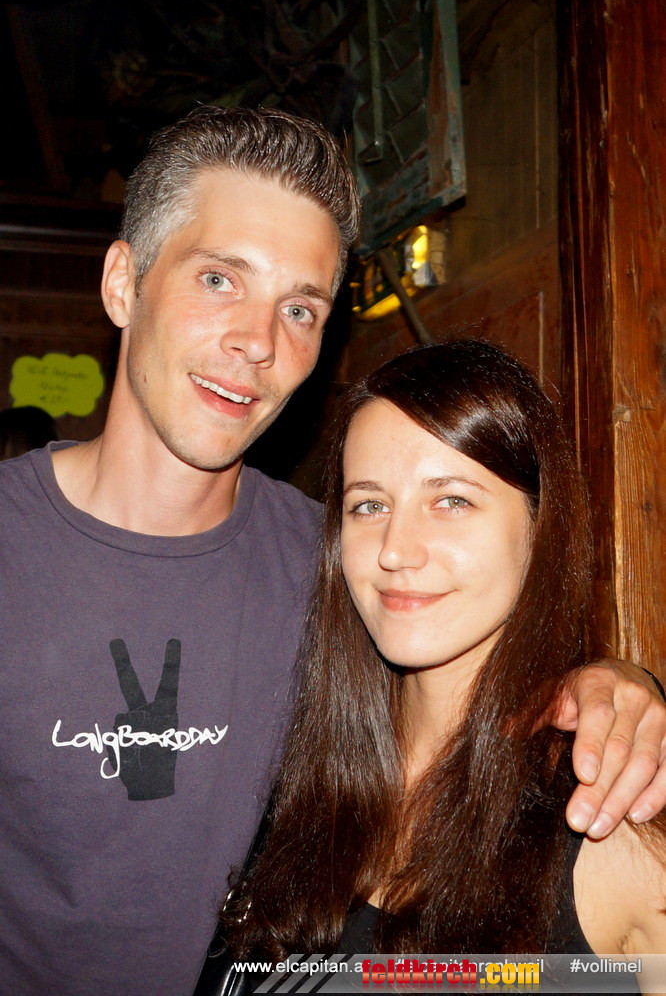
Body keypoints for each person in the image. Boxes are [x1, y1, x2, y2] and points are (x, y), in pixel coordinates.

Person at [0, 107, 663, 996]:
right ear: (124, 283)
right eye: (219, 279)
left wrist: (621, 683)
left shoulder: (337, 568)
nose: (258, 341)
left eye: (300, 308)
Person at [220, 340, 666, 991]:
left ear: (541, 527)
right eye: (369, 505)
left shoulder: (614, 820)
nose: (396, 550)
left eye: (452, 500)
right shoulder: (284, 773)